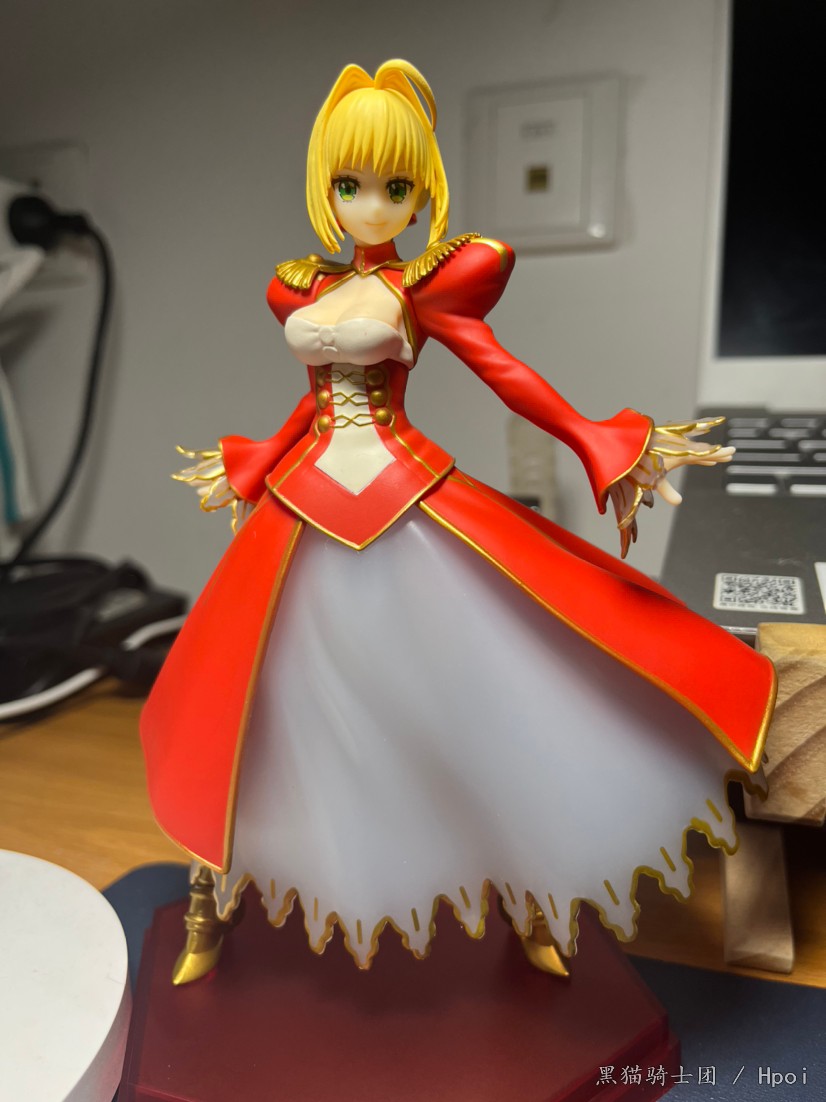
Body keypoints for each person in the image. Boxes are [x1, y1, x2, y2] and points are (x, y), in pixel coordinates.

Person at [141, 60, 775, 984]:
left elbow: (501, 371)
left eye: (395, 187)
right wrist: (255, 461)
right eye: (351, 185)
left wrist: (595, 439)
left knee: (474, 699)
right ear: (326, 187)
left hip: (404, 499)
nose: (372, 205)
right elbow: (313, 400)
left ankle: (533, 894)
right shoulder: (300, 285)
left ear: (420, 192)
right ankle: (220, 897)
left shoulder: (432, 282)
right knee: (260, 707)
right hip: (303, 508)